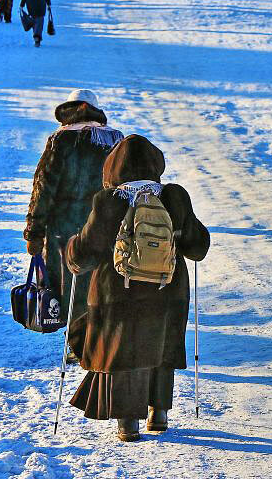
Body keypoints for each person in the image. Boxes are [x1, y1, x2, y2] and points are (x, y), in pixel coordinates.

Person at [63, 135, 210, 442]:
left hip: (117, 294)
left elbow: (87, 251)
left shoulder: (109, 201)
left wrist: (71, 249)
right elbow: (197, 247)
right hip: (167, 290)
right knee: (162, 346)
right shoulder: (174, 197)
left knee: (122, 351)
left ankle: (127, 423)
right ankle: (159, 414)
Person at [24, 90, 124, 311]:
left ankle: (73, 339)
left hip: (64, 232)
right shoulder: (115, 140)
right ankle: (93, 337)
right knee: (99, 289)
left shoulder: (60, 139)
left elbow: (43, 189)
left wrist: (34, 232)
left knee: (69, 293)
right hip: (104, 229)